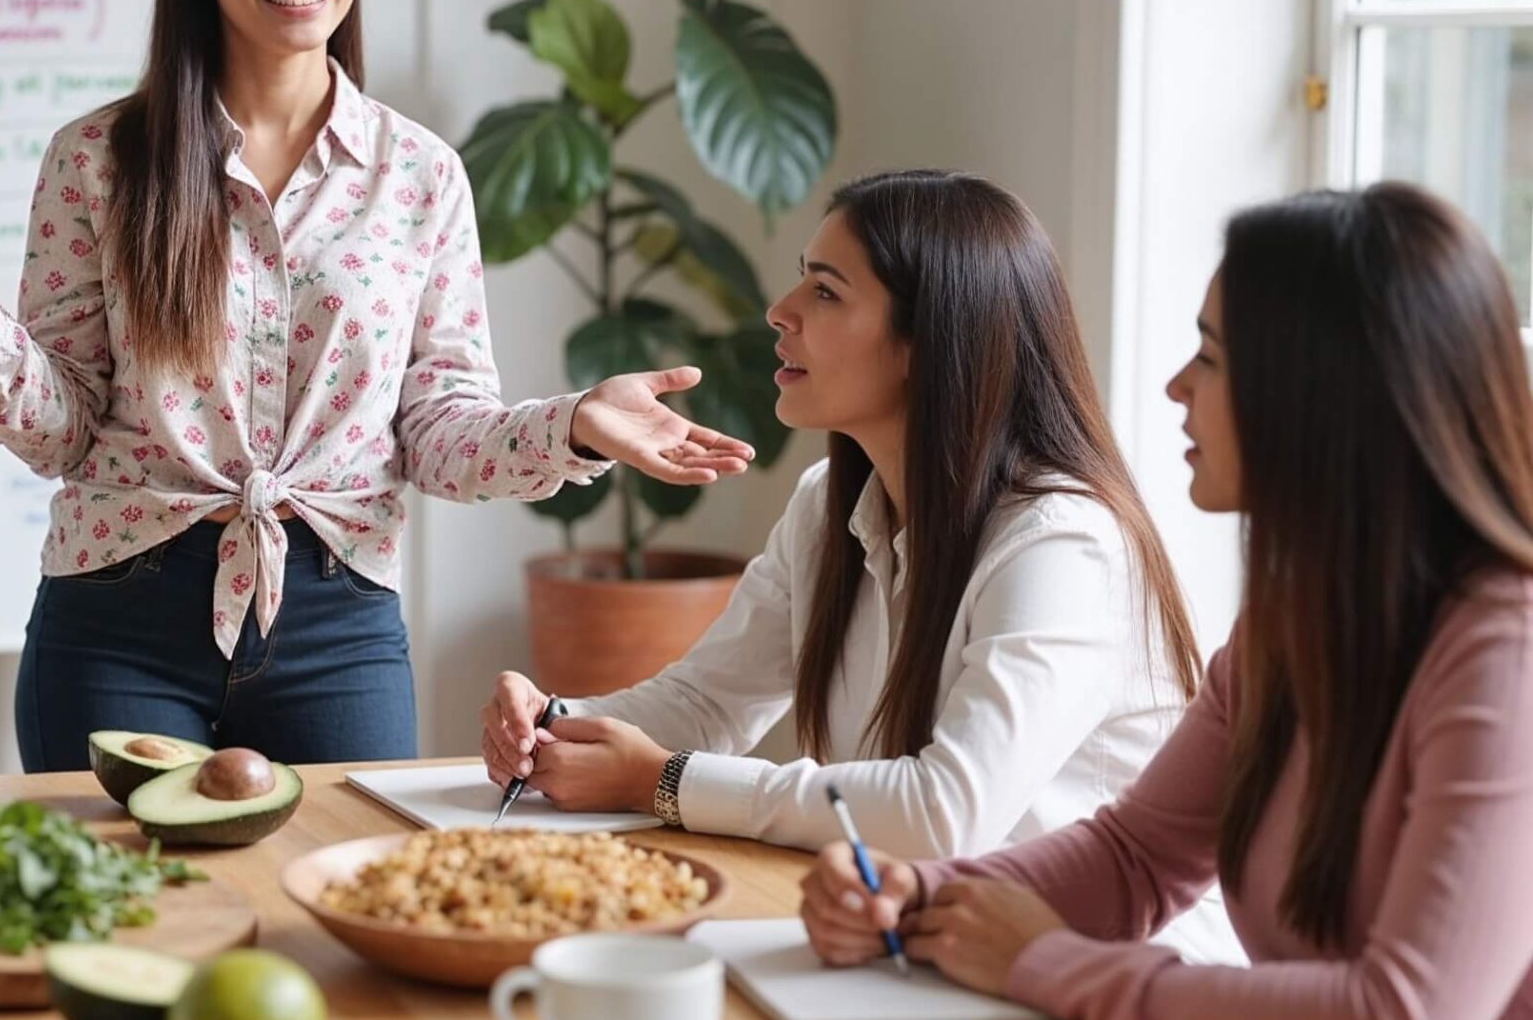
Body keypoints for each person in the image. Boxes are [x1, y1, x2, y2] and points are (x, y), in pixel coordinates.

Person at [0, 0, 753, 770]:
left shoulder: (419, 174)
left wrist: (580, 423)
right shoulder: (97, 160)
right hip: (116, 615)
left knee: (339, 899)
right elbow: (61, 429)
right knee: (126, 913)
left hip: (336, 620)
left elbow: (437, 432)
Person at [802, 183, 1533, 1020]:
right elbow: (1137, 855)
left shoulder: (1503, 653)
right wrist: (922, 896)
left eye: (1214, 357)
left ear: (1319, 398)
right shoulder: (1291, 620)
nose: (1174, 387)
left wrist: (1046, 962)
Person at [480, 171, 1236, 960]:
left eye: (826, 291)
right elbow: (708, 700)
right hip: (943, 959)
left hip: (1109, 982)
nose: (781, 311)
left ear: (926, 340)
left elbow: (946, 813)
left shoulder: (1063, 542)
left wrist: (661, 782)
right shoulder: (827, 504)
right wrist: (553, 725)